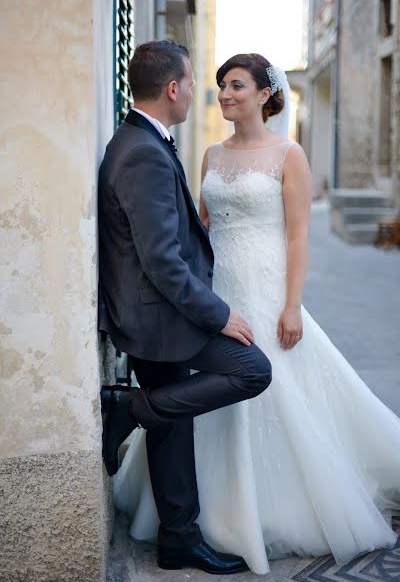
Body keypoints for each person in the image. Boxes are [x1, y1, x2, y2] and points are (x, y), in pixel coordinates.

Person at [114, 52, 400, 575]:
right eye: (220, 84)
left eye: (236, 85)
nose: (224, 93)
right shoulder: (210, 156)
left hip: (267, 291)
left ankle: (269, 506)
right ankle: (201, 513)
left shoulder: (288, 154)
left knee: (271, 381)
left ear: (265, 94)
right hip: (215, 293)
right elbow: (198, 225)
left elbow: (297, 236)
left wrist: (291, 305)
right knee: (217, 385)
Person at [97, 41, 273, 575]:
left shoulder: (142, 140)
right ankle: (127, 409)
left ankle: (179, 539)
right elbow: (163, 261)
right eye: (194, 83)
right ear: (172, 89)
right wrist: (218, 314)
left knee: (172, 422)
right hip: (158, 313)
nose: (202, 93)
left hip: (153, 308)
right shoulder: (144, 151)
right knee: (251, 369)